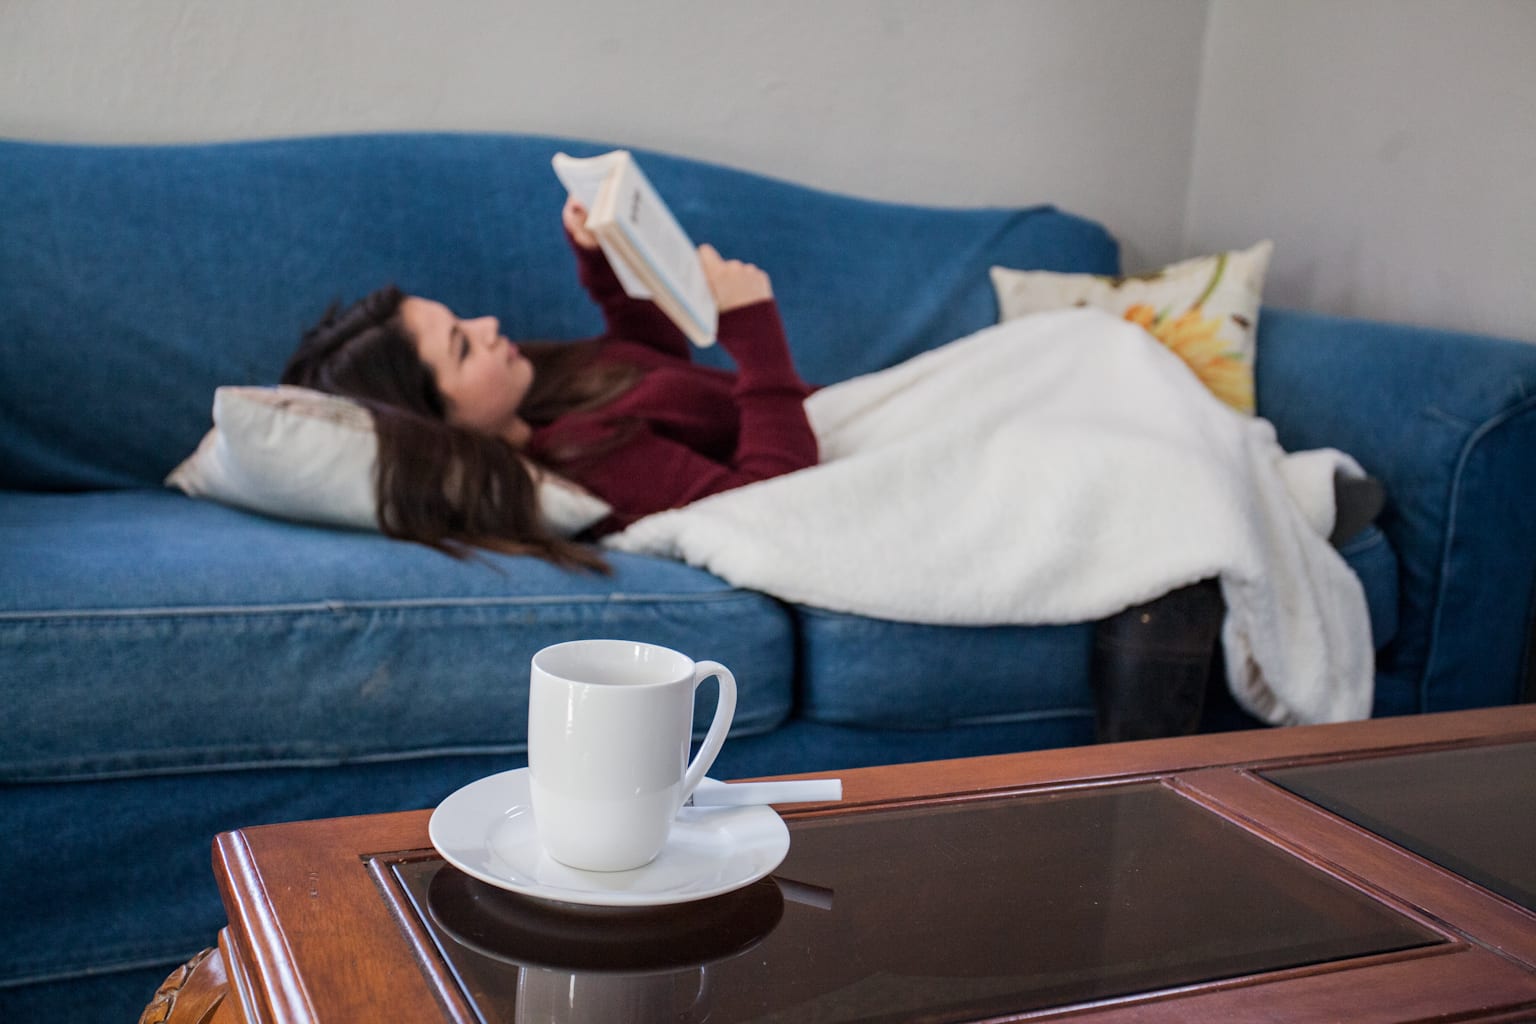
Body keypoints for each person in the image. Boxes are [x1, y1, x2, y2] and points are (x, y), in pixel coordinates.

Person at [281, 197, 819, 571]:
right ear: (437, 427)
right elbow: (768, 505)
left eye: (462, 320)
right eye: (462, 347)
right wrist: (755, 334)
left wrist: (604, 264)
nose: (487, 326)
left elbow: (656, 375)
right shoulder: (585, 457)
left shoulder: (534, 394)